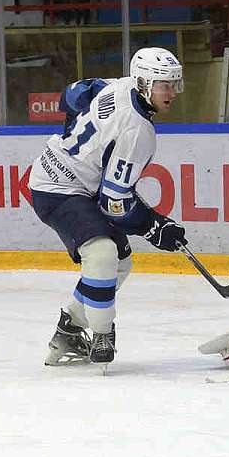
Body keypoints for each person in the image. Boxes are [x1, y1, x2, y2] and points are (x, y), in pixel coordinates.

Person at [30, 47, 188, 367]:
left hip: (63, 175)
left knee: (120, 262)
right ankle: (102, 332)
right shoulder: (138, 132)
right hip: (56, 187)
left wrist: (77, 135)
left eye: (174, 84)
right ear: (143, 83)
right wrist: (154, 227)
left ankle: (70, 329)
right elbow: (114, 203)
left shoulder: (120, 84)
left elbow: (75, 94)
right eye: (163, 84)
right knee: (101, 252)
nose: (171, 91)